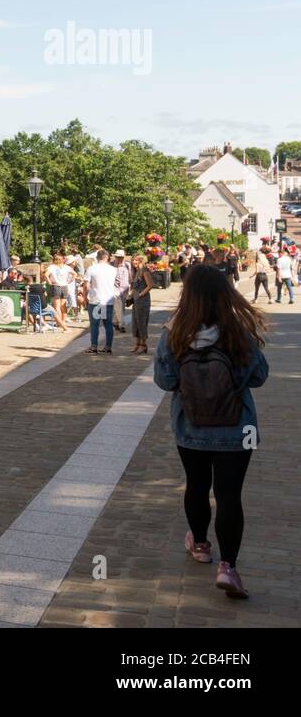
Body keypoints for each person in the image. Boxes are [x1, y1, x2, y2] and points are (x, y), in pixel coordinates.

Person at [153, 264, 267, 599]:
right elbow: (259, 376)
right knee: (230, 496)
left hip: (191, 426)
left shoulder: (175, 331)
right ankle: (228, 568)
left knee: (197, 486)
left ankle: (200, 545)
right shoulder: (237, 330)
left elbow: (165, 381)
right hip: (238, 430)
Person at [84, 249, 118, 354]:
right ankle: (108, 346)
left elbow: (86, 285)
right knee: (108, 324)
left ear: (97, 257)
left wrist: (85, 297)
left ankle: (94, 346)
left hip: (95, 301)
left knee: (94, 325)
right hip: (108, 300)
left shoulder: (91, 269)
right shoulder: (113, 269)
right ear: (107, 257)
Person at [129, 254, 155, 354]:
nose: (134, 262)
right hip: (136, 301)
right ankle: (137, 344)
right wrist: (131, 295)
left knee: (142, 322)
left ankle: (143, 345)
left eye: (136, 260)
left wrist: (140, 294)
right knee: (135, 322)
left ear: (141, 261)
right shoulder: (137, 272)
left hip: (143, 301)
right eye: (133, 260)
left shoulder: (144, 271)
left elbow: (150, 285)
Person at [46, 253, 72, 330]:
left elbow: (46, 275)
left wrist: (49, 282)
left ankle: (59, 322)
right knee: (63, 305)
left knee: (57, 306)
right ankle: (63, 321)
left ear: (54, 260)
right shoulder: (66, 267)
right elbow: (75, 274)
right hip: (64, 286)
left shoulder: (51, 267)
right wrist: (69, 281)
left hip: (56, 286)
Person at [111, 250, 131, 334]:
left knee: (121, 307)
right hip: (114, 289)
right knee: (118, 306)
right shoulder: (111, 265)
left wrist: (130, 289)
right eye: (118, 257)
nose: (119, 259)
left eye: (121, 257)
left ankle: (115, 322)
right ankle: (122, 325)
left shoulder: (127, 265)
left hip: (124, 289)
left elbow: (130, 277)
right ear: (115, 257)